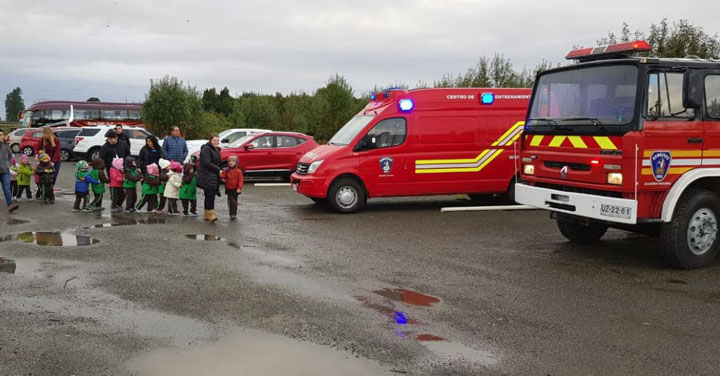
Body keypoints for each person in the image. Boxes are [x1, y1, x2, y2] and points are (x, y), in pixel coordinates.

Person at [196, 135, 221, 222]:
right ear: (210, 140)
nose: (216, 142)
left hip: (212, 175)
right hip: (207, 175)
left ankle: (207, 214)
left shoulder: (216, 149)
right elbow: (206, 163)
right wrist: (218, 170)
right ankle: (211, 214)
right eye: (214, 140)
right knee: (210, 195)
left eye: (218, 140)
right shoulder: (206, 149)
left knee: (209, 195)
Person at [0, 130, 19, 212]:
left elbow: (10, 156)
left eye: (1, 134)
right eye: (0, 135)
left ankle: (10, 205)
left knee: (7, 188)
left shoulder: (6, 145)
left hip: (5, 170)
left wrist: (9, 164)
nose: (1, 136)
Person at [220, 155, 244, 220]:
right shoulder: (226, 170)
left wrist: (239, 188)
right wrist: (220, 172)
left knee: (235, 201)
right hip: (229, 188)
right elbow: (222, 176)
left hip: (236, 188)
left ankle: (234, 213)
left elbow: (240, 180)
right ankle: (231, 213)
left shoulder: (238, 171)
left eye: (233, 161)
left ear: (236, 162)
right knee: (231, 201)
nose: (231, 162)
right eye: (230, 161)